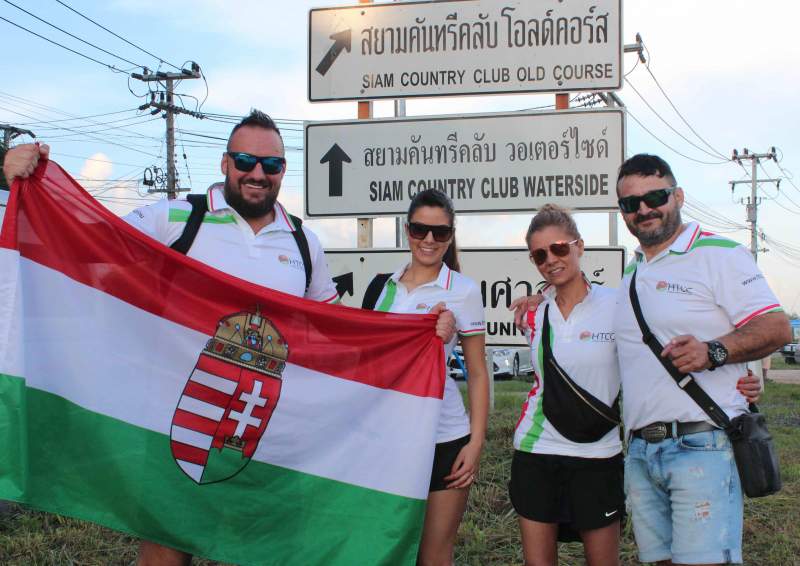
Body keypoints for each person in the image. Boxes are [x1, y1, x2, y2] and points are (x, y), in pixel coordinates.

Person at [3, 111, 456, 566]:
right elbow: (85, 238)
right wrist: (22, 181)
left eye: (271, 165)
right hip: (178, 420)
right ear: (224, 163)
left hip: (268, 426)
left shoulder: (303, 242)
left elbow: (335, 330)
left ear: (282, 171)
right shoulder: (177, 218)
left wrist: (415, 332)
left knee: (274, 547)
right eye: (245, 161)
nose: (257, 173)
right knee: (166, 548)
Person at [615, 154, 791, 565]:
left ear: (677, 197)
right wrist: (543, 296)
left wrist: (714, 352)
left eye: (655, 196)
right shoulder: (631, 273)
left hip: (701, 446)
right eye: (631, 203)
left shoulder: (720, 254)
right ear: (623, 212)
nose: (644, 209)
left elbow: (777, 328)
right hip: (640, 452)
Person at [362, 189, 489, 566]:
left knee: (433, 556)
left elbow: (478, 373)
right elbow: (366, 361)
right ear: (407, 230)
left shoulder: (463, 291)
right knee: (386, 551)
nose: (429, 240)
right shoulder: (380, 288)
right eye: (420, 230)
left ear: (451, 236)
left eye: (441, 232)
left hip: (444, 438)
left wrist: (475, 443)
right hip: (387, 438)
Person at [510, 204, 623, 566]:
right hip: (536, 450)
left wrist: (740, 378)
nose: (551, 260)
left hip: (598, 454)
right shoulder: (532, 313)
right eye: (539, 255)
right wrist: (541, 296)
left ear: (579, 246)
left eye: (559, 248)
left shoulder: (617, 304)